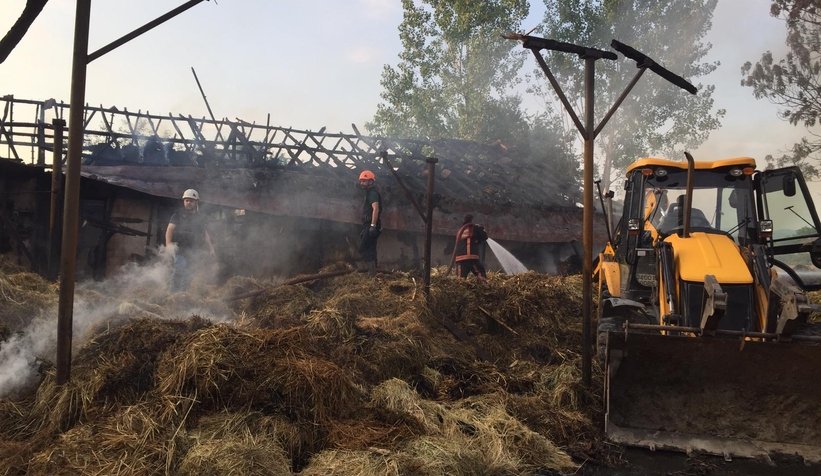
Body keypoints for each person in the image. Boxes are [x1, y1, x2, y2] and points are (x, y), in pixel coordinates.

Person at [165, 188, 216, 290]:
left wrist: (211, 248)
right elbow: (169, 230)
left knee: (190, 272)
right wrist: (168, 244)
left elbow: (205, 234)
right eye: (186, 200)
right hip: (180, 248)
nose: (188, 203)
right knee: (180, 269)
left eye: (191, 201)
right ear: (184, 201)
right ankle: (174, 294)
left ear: (196, 202)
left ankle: (184, 293)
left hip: (193, 249)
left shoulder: (200, 218)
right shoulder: (178, 215)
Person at [358, 170, 381, 275]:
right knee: (370, 247)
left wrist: (372, 226)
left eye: (364, 181)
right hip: (368, 224)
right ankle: (372, 273)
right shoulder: (369, 193)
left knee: (365, 248)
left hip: (371, 224)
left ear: (371, 182)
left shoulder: (372, 193)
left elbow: (376, 208)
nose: (362, 183)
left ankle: (372, 273)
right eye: (361, 181)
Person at [453, 214, 488, 281]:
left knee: (460, 281)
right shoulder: (474, 228)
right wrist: (481, 228)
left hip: (460, 259)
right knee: (481, 274)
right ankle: (484, 285)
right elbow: (485, 236)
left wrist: (477, 240)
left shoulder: (460, 230)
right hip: (471, 258)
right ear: (471, 220)